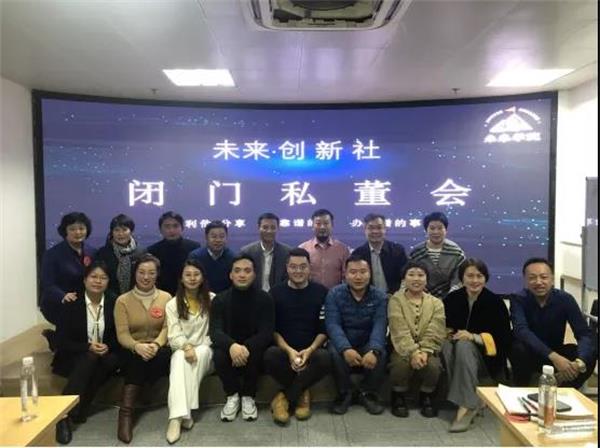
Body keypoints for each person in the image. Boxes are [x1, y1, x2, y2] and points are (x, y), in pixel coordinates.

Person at [52, 261, 120, 444]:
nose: (98, 281)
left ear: (108, 281)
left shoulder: (114, 302)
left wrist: (108, 346)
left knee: (107, 360)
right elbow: (60, 341)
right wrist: (87, 347)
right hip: (75, 356)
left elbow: (118, 335)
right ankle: (64, 415)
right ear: (84, 280)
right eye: (93, 277)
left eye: (103, 278)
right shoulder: (72, 302)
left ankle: (79, 407)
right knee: (90, 358)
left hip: (105, 355)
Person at [442, 259, 512, 432]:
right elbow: (443, 326)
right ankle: (472, 398)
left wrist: (474, 337)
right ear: (462, 278)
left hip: (487, 360)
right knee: (446, 345)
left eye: (479, 276)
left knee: (464, 345)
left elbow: (504, 339)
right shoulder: (452, 299)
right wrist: (449, 334)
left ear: (485, 278)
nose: (475, 280)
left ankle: (467, 406)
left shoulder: (495, 302)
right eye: (470, 276)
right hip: (457, 355)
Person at [264, 248, 330, 425]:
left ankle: (283, 398)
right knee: (269, 355)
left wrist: (309, 350)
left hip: (312, 350)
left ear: (310, 268)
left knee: (325, 358)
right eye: (293, 267)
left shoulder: (321, 292)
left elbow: (324, 329)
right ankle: (302, 394)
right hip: (284, 350)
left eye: (303, 267)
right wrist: (289, 351)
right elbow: (272, 329)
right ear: (286, 268)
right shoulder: (275, 293)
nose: (298, 271)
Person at [510, 257, 595, 389]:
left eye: (544, 277)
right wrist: (554, 357)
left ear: (552, 279)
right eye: (532, 278)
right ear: (525, 280)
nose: (538, 282)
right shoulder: (518, 299)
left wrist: (579, 362)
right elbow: (522, 331)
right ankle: (523, 389)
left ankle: (562, 388)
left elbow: (583, 333)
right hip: (530, 353)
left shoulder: (565, 299)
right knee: (517, 348)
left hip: (556, 349)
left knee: (590, 352)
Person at [114, 254, 172, 443]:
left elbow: (167, 328)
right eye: (141, 272)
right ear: (135, 274)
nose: (146, 277)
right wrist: (137, 346)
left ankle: (134, 402)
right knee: (136, 359)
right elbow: (122, 334)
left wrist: (155, 344)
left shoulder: (166, 297)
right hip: (132, 350)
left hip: (159, 349)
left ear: (157, 275)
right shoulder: (123, 300)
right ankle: (126, 414)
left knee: (163, 357)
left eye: (151, 273)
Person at [209, 255, 274, 422]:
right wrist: (232, 346)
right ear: (231, 275)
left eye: (247, 271)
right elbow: (215, 331)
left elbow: (267, 332)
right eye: (237, 271)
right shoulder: (220, 299)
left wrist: (246, 347)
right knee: (219, 354)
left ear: (254, 274)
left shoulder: (265, 299)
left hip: (253, 348)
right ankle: (232, 395)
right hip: (229, 348)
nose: (242, 275)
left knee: (257, 352)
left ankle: (248, 396)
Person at [325, 254, 387, 415]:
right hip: (344, 340)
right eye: (353, 272)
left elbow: (380, 325)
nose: (358, 277)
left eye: (363, 272)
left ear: (370, 273)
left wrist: (373, 349)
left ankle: (368, 393)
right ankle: (344, 393)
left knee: (381, 353)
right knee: (334, 352)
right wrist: (345, 348)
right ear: (345, 274)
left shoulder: (380, 296)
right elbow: (332, 324)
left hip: (367, 341)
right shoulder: (334, 294)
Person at [165, 259, 214, 443]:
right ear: (181, 279)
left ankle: (180, 415)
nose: (192, 278)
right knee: (178, 358)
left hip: (207, 350)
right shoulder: (172, 304)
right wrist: (186, 347)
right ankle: (178, 418)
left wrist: (197, 347)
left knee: (201, 352)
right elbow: (173, 335)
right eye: (188, 275)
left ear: (202, 278)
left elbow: (215, 332)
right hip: (183, 349)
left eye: (196, 274)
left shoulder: (213, 299)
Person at [388, 261, 445, 418]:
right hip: (402, 346)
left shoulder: (436, 303)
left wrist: (425, 351)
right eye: (411, 274)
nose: (416, 279)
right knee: (400, 363)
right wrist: (413, 352)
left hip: (428, 348)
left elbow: (436, 329)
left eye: (421, 275)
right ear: (404, 279)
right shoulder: (396, 300)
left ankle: (427, 396)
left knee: (433, 366)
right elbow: (399, 329)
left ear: (426, 279)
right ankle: (398, 396)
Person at [40, 212, 96, 352]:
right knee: (68, 347)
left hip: (84, 301)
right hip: (58, 302)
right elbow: (48, 284)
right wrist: (62, 296)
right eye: (72, 229)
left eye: (81, 228)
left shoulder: (92, 251)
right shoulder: (52, 254)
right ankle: (58, 341)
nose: (77, 232)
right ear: (65, 231)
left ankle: (55, 338)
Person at [409, 211, 465, 299]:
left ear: (446, 230)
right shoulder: (416, 252)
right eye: (432, 228)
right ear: (426, 230)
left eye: (440, 228)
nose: (436, 232)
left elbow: (459, 279)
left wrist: (450, 297)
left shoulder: (456, 252)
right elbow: (410, 277)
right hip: (420, 298)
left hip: (450, 299)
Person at [351, 213, 408, 295]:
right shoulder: (358, 254)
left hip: (395, 298)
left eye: (379, 227)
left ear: (385, 229)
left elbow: (406, 276)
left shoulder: (398, 251)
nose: (375, 231)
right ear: (365, 230)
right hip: (368, 299)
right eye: (371, 228)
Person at [148, 211, 201, 296]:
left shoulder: (194, 248)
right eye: (167, 226)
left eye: (175, 226)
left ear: (182, 228)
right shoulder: (152, 251)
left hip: (189, 294)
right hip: (161, 295)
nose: (171, 230)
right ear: (160, 229)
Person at [94, 214, 146, 297]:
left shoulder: (141, 252)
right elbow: (98, 278)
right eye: (116, 230)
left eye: (124, 230)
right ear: (112, 232)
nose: (120, 234)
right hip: (109, 298)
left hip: (136, 297)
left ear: (131, 231)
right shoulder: (103, 253)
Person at [299, 209, 350, 289]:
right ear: (312, 226)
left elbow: (347, 277)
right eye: (318, 223)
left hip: (335, 295)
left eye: (326, 223)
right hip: (309, 294)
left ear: (332, 225)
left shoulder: (342, 250)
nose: (322, 227)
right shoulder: (303, 248)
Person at [240, 212, 291, 292]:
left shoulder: (287, 252)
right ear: (258, 228)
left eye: (273, 228)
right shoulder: (247, 252)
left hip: (278, 296)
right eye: (265, 227)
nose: (269, 231)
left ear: (278, 229)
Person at [189, 220, 235, 293]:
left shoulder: (233, 257)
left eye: (222, 236)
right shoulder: (195, 257)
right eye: (214, 236)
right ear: (206, 237)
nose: (218, 240)